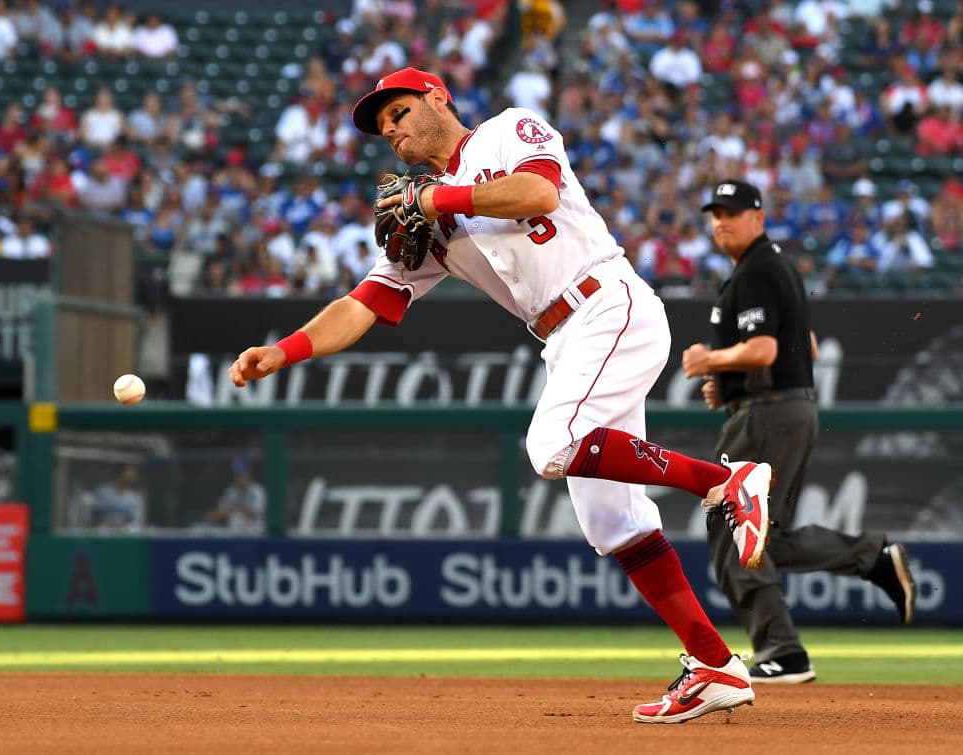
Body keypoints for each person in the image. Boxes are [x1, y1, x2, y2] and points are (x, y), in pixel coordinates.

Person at [229, 67, 775, 724]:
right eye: (382, 127)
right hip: (563, 336)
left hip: (607, 302)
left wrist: (439, 200)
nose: (391, 131)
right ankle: (714, 663)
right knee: (614, 523)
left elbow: (537, 193)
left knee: (553, 444)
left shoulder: (507, 131)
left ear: (437, 98)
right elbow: (365, 302)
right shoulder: (425, 219)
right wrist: (284, 351)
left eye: (399, 112)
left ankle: (726, 482)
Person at [682, 179, 918, 684]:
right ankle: (873, 558)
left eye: (732, 213)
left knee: (732, 524)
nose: (721, 222)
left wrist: (711, 361)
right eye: (715, 214)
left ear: (758, 218)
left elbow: (764, 350)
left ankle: (783, 651)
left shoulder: (758, 269)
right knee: (768, 535)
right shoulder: (772, 267)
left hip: (766, 414)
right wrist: (730, 382)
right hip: (782, 409)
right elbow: (805, 346)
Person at [202, 458, 266, 534]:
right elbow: (221, 509)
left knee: (237, 518)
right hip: (235, 531)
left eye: (240, 474)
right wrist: (212, 515)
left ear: (247, 474)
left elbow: (252, 513)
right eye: (235, 474)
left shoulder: (257, 490)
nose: (237, 477)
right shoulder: (231, 491)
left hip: (255, 531)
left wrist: (229, 512)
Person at [92, 463, 145, 531]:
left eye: (131, 475)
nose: (130, 477)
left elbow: (134, 517)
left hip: (125, 529)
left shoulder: (133, 496)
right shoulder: (104, 491)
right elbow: (97, 512)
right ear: (118, 475)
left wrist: (125, 523)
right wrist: (108, 522)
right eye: (127, 474)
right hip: (104, 527)